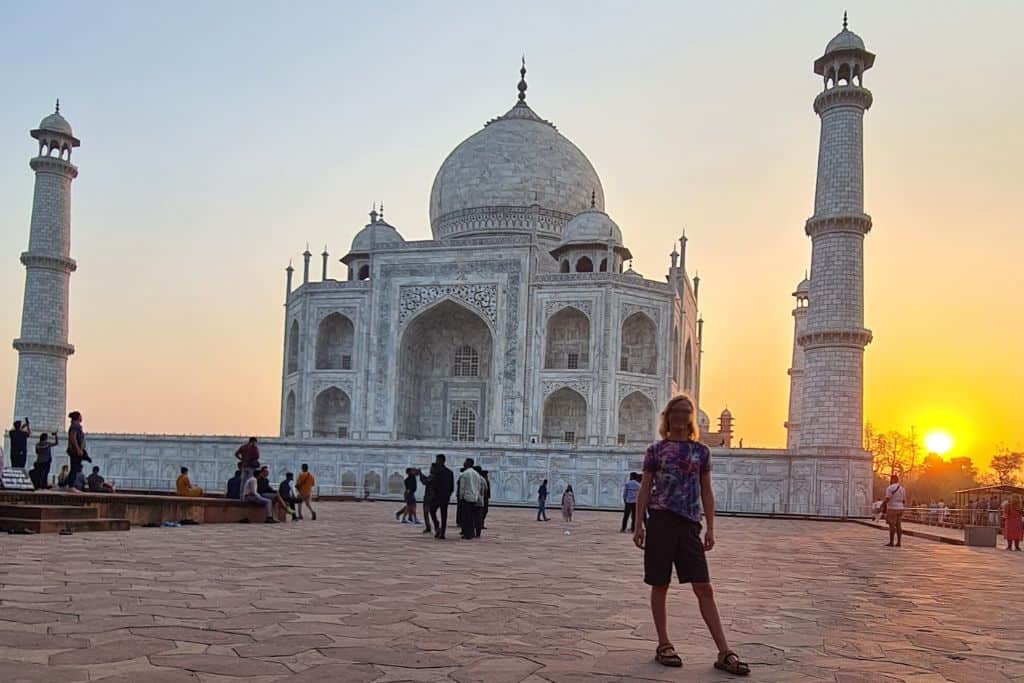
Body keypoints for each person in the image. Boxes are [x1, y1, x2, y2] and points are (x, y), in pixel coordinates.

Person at [633, 394, 749, 676]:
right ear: (668, 416)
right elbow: (645, 488)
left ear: (691, 417)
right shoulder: (656, 450)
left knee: (704, 588)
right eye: (676, 411)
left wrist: (711, 526)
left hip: (688, 525)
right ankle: (664, 644)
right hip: (660, 521)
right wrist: (639, 524)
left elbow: (706, 491)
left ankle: (724, 650)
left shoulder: (701, 452)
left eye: (686, 412)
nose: (681, 417)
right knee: (660, 584)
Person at [424, 454, 453, 539]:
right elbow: (451, 487)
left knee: (433, 511)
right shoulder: (449, 472)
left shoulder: (436, 472)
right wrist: (448, 495)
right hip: (445, 497)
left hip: (437, 496)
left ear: (441, 461)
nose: (436, 462)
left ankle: (438, 528)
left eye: (437, 460)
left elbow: (430, 482)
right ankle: (441, 531)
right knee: (443, 514)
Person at [457, 458, 484, 540]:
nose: (463, 463)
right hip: (474, 498)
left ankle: (467, 534)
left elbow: (462, 488)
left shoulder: (464, 474)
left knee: (466, 517)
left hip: (466, 498)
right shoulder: (476, 474)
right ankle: (471, 533)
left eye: (465, 462)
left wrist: (461, 497)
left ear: (468, 463)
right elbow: (478, 486)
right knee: (471, 517)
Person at [882, 474, 906, 547]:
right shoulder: (902, 488)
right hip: (900, 508)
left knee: (892, 525)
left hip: (892, 508)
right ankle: (899, 542)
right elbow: (904, 501)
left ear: (893, 480)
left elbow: (887, 498)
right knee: (898, 525)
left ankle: (891, 542)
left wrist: (882, 505)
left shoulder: (890, 488)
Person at [66, 411, 91, 478]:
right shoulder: (75, 426)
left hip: (77, 449)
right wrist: (78, 449)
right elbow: (73, 438)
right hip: (75, 451)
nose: (81, 417)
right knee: (74, 468)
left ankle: (85, 456)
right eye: (80, 416)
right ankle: (71, 486)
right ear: (77, 417)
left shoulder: (76, 426)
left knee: (76, 467)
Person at [418, 463, 437, 534]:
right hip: (433, 496)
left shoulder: (433, 476)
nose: (430, 469)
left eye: (431, 468)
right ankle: (434, 527)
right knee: (432, 512)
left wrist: (420, 474)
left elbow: (425, 482)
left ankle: (430, 527)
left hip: (429, 496)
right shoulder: (434, 476)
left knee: (427, 512)